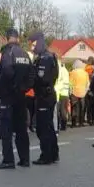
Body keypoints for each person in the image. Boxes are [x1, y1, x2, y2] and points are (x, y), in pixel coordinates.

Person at [0, 28, 34, 170]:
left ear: (6, 38)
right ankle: (25, 159)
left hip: (8, 96)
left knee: (6, 129)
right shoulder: (25, 54)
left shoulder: (7, 53)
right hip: (21, 96)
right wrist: (24, 88)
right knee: (21, 129)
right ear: (17, 38)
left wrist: (1, 88)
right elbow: (31, 75)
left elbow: (6, 73)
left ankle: (8, 160)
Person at [28, 32, 59, 164]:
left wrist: (31, 80)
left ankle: (46, 155)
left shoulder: (45, 58)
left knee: (43, 128)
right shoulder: (47, 56)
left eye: (34, 44)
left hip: (44, 95)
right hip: (46, 95)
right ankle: (53, 154)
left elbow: (43, 78)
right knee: (49, 126)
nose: (32, 47)